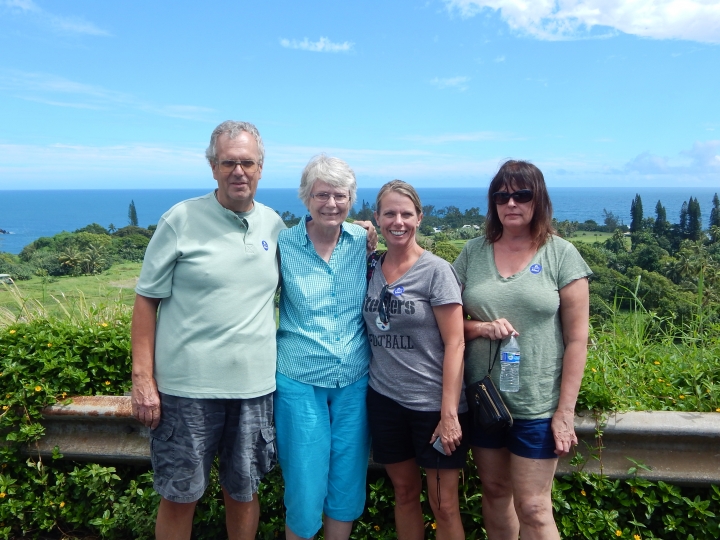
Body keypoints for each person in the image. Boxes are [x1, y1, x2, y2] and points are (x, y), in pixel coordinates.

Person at [131, 120, 286, 540]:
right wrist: (143, 381)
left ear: (261, 167)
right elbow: (146, 300)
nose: (239, 171)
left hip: (254, 389)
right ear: (212, 166)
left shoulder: (274, 225)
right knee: (180, 496)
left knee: (244, 491)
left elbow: (314, 261)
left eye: (248, 163)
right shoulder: (180, 219)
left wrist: (357, 232)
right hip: (186, 391)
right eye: (228, 162)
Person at [453, 160, 592, 540]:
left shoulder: (561, 255)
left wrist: (565, 411)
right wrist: (480, 327)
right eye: (502, 195)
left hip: (537, 402)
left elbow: (578, 339)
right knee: (496, 495)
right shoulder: (473, 252)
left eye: (521, 194)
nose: (510, 202)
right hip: (485, 400)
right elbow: (444, 321)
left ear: (538, 200)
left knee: (533, 506)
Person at [363, 180, 468, 540]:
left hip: (432, 406)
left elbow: (455, 343)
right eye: (389, 213)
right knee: (405, 494)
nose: (398, 221)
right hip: (385, 400)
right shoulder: (370, 267)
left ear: (420, 218)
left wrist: (449, 414)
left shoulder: (437, 271)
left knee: (444, 504)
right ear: (376, 218)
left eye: (406, 214)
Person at [274, 155, 371, 540]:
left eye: (340, 195)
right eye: (322, 194)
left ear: (351, 198)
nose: (331, 203)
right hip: (300, 380)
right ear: (306, 197)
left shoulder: (363, 239)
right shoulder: (283, 244)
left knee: (347, 482)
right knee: (303, 483)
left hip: (354, 380)